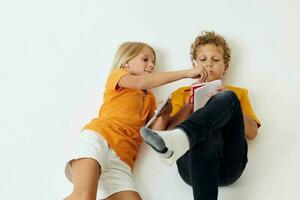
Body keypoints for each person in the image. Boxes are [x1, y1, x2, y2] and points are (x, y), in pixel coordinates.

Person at [64, 41, 206, 200]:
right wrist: (187, 73)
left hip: (122, 159)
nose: (151, 65)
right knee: (84, 197)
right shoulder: (119, 76)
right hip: (99, 139)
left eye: (153, 62)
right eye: (145, 59)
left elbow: (158, 132)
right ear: (126, 62)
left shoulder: (150, 98)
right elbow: (141, 82)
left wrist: (171, 111)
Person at [141, 31, 261, 200]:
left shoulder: (236, 93)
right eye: (203, 60)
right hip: (191, 168)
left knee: (226, 98)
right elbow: (162, 134)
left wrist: (230, 103)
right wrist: (188, 105)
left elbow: (252, 133)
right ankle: (182, 137)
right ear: (194, 64)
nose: (209, 64)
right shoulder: (181, 94)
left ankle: (184, 136)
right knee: (205, 135)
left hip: (228, 166)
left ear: (225, 67)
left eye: (215, 60)